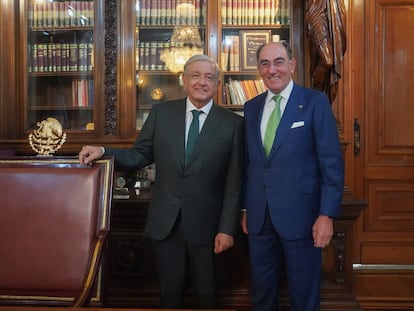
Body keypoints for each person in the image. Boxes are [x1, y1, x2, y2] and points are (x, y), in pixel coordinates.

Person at [79, 54, 244, 309]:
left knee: (208, 295)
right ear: (184, 80)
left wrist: (227, 228)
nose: (202, 82)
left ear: (217, 84)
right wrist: (103, 150)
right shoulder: (162, 113)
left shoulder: (233, 125)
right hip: (166, 224)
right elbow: (139, 155)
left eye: (209, 77)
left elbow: (234, 183)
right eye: (196, 76)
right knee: (169, 296)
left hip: (210, 228)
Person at [241, 41, 344, 311]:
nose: (272, 69)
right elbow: (250, 165)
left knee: (304, 295)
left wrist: (326, 215)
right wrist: (245, 207)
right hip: (259, 218)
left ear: (292, 65)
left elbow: (331, 165)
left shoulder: (314, 102)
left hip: (303, 217)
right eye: (265, 63)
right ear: (259, 69)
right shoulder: (251, 108)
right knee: (261, 293)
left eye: (278, 61)